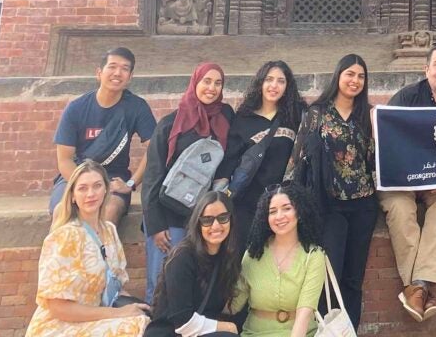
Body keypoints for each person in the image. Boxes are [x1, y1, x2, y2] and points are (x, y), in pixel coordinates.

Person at [378, 42, 436, 322]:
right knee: (399, 208)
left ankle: (415, 286)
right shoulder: (406, 97)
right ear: (426, 69)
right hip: (402, 182)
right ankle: (420, 288)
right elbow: (388, 142)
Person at [287, 54, 377, 328]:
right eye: (350, 74)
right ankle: (325, 331)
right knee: (329, 275)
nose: (355, 81)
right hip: (329, 206)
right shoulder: (318, 114)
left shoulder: (369, 116)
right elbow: (298, 157)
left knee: (353, 279)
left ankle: (349, 331)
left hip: (363, 205)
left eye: (361, 76)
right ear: (338, 75)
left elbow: (376, 160)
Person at [142, 62, 234, 304]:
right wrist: (155, 225)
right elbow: (153, 175)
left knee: (197, 285)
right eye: (206, 81)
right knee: (162, 282)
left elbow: (233, 157)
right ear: (195, 83)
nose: (212, 88)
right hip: (170, 216)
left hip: (206, 219)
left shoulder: (225, 119)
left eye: (218, 83)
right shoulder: (171, 124)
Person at [26, 160, 151, 336]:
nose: (90, 194)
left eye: (97, 186)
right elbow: (58, 308)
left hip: (97, 317)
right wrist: (118, 314)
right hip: (60, 326)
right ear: (72, 196)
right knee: (136, 328)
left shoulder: (109, 231)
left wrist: (133, 307)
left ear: (106, 189)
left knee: (150, 322)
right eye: (83, 188)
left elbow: (115, 286)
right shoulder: (64, 237)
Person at [49, 47, 157, 225]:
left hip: (113, 177)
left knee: (109, 211)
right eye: (112, 66)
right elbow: (64, 159)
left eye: (124, 68)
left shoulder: (137, 107)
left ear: (129, 77)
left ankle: (101, 253)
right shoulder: (76, 108)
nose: (117, 73)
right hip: (76, 174)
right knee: (62, 213)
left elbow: (155, 148)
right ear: (99, 73)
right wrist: (84, 185)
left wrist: (130, 183)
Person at [222, 61, 306, 254]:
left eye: (280, 81)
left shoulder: (295, 117)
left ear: (287, 87)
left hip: (283, 206)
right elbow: (229, 161)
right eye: (269, 79)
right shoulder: (243, 119)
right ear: (260, 82)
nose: (274, 85)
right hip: (248, 205)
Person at [231, 182, 326, 337]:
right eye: (272, 211)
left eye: (287, 208)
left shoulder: (314, 255)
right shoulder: (254, 253)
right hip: (255, 333)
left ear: (299, 212)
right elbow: (234, 304)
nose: (279, 216)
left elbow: (304, 314)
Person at [145, 191, 241, 336]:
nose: (216, 226)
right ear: (198, 223)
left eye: (223, 218)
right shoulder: (183, 258)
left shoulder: (227, 257)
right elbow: (183, 323)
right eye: (207, 220)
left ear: (231, 220)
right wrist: (227, 327)